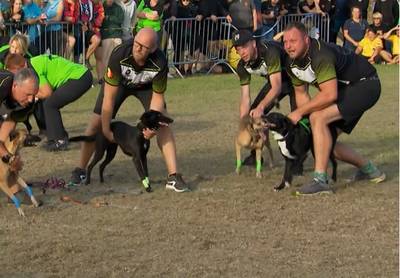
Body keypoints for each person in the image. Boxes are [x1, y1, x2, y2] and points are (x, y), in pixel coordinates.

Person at [69, 28, 189, 192]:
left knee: (163, 124)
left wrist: (152, 127)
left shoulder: (159, 61)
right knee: (96, 122)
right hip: (119, 86)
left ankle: (174, 176)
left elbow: (158, 97)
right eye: (136, 43)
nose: (137, 48)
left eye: (143, 47)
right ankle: (80, 170)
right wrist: (106, 130)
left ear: (153, 49)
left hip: (146, 88)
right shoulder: (120, 54)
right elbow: (109, 98)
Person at [282, 22, 386, 195]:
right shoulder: (291, 62)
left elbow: (329, 95)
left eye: (293, 41)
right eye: (285, 42)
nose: (288, 46)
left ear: (306, 40)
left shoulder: (320, 55)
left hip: (366, 84)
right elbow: (301, 93)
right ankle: (371, 171)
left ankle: (320, 181)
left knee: (319, 119)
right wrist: (305, 122)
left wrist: (300, 113)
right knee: (324, 139)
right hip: (348, 89)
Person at [232, 29, 296, 166]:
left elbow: (277, 87)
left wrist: (261, 107)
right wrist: (245, 122)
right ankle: (255, 155)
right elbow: (245, 97)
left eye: (244, 47)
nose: (241, 52)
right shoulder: (242, 66)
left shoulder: (269, 52)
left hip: (295, 80)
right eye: (238, 49)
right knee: (254, 114)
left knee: (297, 120)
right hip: (275, 81)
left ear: (253, 43)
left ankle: (297, 162)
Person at [5, 53, 93, 151]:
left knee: (50, 104)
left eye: (16, 73)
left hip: (80, 77)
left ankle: (60, 141)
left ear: (23, 67)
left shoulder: (34, 69)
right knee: (47, 103)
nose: (16, 77)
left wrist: (28, 94)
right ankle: (53, 138)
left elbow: (47, 93)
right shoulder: (33, 63)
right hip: (80, 75)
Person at [0, 68, 38, 196]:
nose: (31, 99)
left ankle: (14, 191)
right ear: (15, 86)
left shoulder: (27, 103)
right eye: (28, 94)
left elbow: (6, 131)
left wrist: (11, 158)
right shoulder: (2, 85)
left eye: (34, 94)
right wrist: (7, 156)